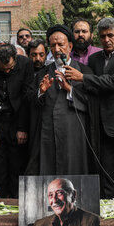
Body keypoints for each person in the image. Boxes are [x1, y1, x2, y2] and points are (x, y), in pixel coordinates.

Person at [64, 17, 114, 200]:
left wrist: (82, 78)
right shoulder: (94, 59)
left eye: (110, 35)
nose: (106, 40)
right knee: (107, 173)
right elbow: (91, 89)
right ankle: (109, 213)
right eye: (102, 36)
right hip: (100, 125)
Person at [26, 25, 97, 175]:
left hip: (75, 130)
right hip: (48, 131)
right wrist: (41, 91)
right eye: (53, 45)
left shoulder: (84, 71)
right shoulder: (42, 73)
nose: (57, 49)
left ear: (70, 46)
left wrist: (69, 89)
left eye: (61, 44)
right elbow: (30, 101)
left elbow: (93, 102)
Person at [0, 44, 34, 197]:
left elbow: (27, 97)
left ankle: (16, 202)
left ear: (15, 60)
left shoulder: (26, 64)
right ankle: (0, 202)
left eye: (10, 68)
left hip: (17, 118)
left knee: (16, 166)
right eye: (3, 69)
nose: (7, 71)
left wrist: (22, 127)